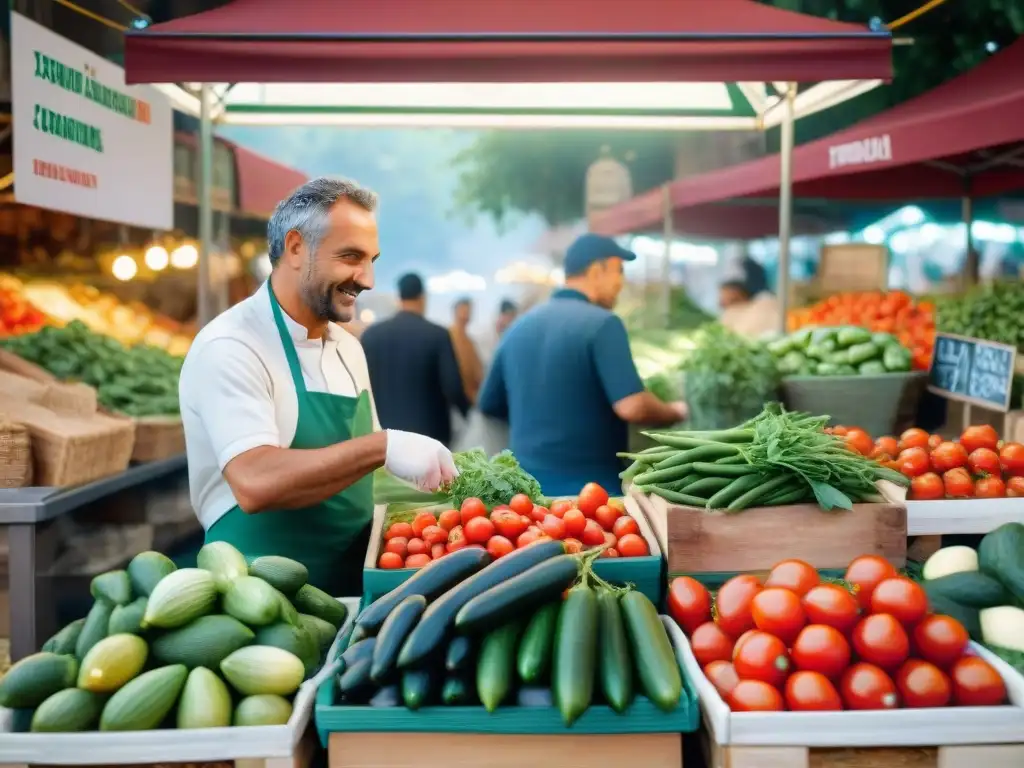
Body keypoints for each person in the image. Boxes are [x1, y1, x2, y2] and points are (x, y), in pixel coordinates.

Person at [178, 177, 458, 597]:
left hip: (352, 594)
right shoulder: (231, 346)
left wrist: (448, 503)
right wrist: (383, 445)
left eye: (372, 260)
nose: (367, 280)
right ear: (295, 248)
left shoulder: (348, 348)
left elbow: (360, 474)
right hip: (259, 604)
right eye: (351, 257)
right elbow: (254, 482)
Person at [477, 233, 687, 496]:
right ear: (597, 270)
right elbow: (632, 406)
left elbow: (488, 404)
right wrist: (675, 412)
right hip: (593, 501)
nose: (621, 282)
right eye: (618, 271)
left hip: (526, 501)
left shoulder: (517, 328)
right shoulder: (603, 324)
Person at [361, 273, 470, 447]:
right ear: (422, 298)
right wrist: (469, 415)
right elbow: (453, 387)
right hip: (430, 440)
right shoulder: (438, 335)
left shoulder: (371, 336)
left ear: (400, 296)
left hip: (384, 441)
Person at [718, 257, 782, 339]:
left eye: (725, 297)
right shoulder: (735, 312)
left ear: (739, 294)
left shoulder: (765, 305)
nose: (721, 303)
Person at [449, 297, 484, 404]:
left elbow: (478, 373)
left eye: (468, 312)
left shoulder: (470, 343)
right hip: (454, 401)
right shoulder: (447, 338)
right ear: (455, 313)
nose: (466, 315)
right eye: (463, 311)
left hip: (470, 400)